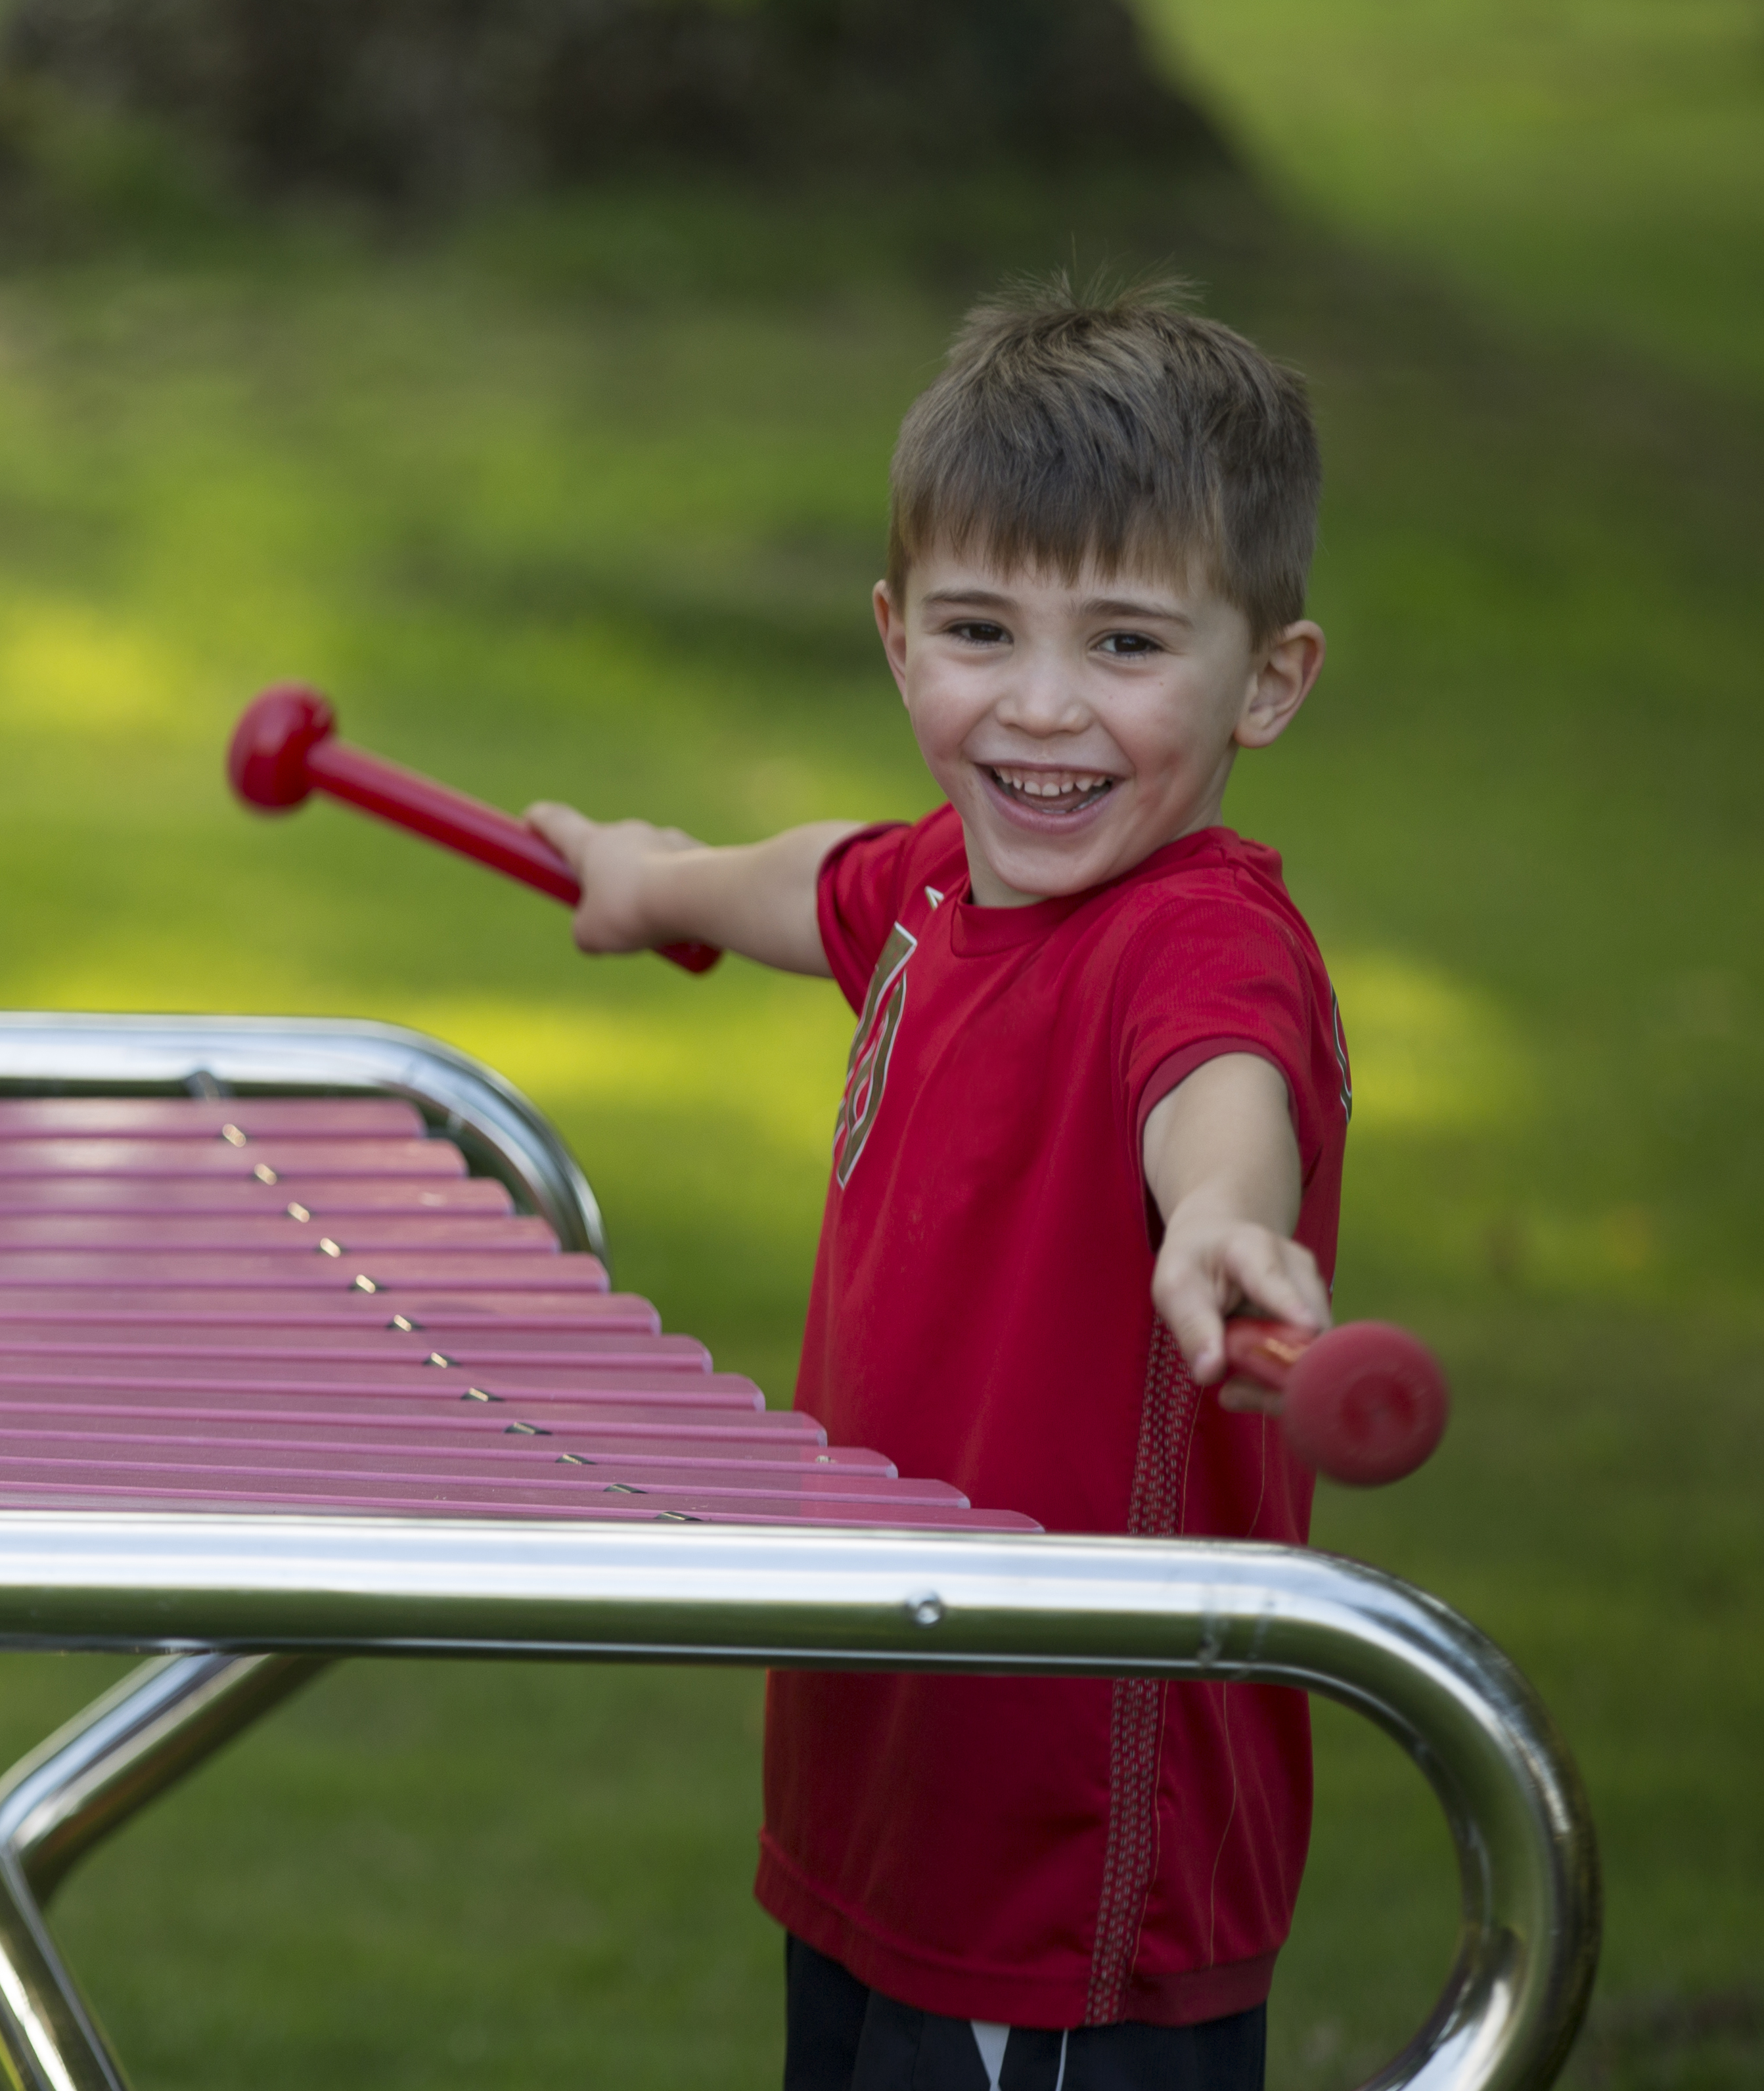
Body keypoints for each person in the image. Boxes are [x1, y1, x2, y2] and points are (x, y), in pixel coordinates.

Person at [528, 277, 1347, 2090]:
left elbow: (1222, 1086)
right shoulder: (931, 896)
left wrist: (1223, 1218)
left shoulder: (1196, 942)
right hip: (882, 1778)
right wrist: (655, 880)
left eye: (1128, 647)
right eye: (983, 631)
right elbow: (815, 880)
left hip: (1067, 1864)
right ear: (900, 640)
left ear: (1266, 681)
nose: (1041, 710)